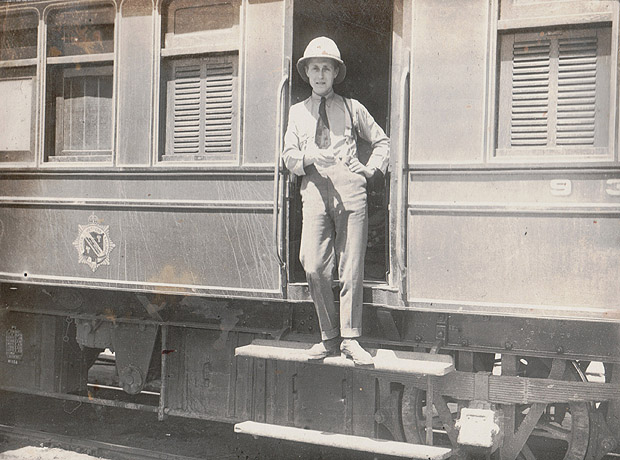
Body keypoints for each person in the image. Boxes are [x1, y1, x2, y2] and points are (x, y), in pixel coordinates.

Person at [282, 37, 389, 366]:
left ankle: (350, 339)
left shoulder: (353, 108)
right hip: (313, 186)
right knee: (313, 265)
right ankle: (328, 335)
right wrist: (307, 157)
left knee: (352, 264)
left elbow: (382, 141)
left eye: (326, 68)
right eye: (314, 68)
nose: (319, 74)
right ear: (307, 73)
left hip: (349, 188)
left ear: (335, 73)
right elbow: (288, 157)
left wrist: (369, 169)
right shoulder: (297, 113)